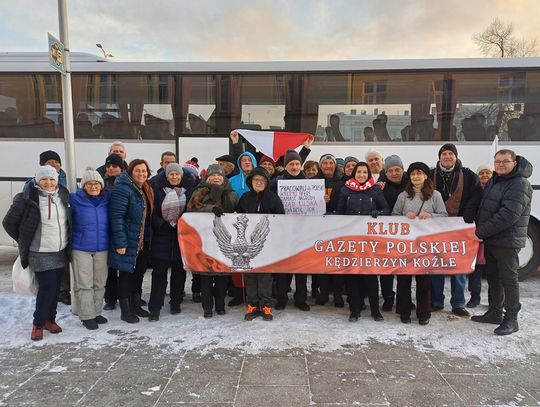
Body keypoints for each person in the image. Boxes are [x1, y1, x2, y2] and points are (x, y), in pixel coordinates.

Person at [3, 165, 70, 340]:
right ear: (37, 180)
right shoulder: (26, 198)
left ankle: (50, 319)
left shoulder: (62, 195)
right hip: (39, 252)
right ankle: (38, 323)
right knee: (47, 288)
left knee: (56, 288)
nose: (48, 183)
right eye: (44, 179)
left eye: (52, 179)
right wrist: (24, 240)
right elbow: (8, 223)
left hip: (60, 250)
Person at [472, 150, 533, 335]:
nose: (500, 165)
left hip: (507, 240)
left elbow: (508, 215)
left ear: (514, 162)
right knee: (493, 277)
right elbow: (486, 207)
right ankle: (495, 312)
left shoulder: (520, 184)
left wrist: (480, 231)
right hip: (492, 238)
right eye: (497, 161)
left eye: (505, 161)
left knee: (508, 279)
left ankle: (511, 319)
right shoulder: (495, 180)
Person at [393, 162, 448, 325]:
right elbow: (393, 215)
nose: (416, 176)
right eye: (413, 174)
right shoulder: (403, 195)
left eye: (419, 173)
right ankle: (404, 311)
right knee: (403, 279)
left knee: (423, 280)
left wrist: (431, 216)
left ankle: (424, 312)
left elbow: (444, 215)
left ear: (425, 176)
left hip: (425, 244)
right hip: (406, 243)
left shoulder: (435, 195)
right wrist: (404, 217)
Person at [430, 143, 481, 317]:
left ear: (456, 157)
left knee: (458, 266)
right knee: (436, 265)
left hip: (459, 227)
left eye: (451, 154)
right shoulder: (430, 174)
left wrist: (470, 209)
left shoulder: (468, 176)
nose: (447, 157)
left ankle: (458, 303)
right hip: (434, 228)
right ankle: (436, 301)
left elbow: (476, 194)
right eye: (444, 153)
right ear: (439, 157)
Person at [336, 162, 390, 321]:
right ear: (354, 174)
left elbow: (386, 209)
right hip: (350, 239)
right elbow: (340, 213)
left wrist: (377, 212)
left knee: (370, 276)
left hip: (369, 241)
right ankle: (355, 310)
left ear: (368, 174)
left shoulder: (375, 189)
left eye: (364, 172)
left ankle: (375, 310)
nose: (361, 175)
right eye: (358, 172)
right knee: (352, 276)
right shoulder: (345, 189)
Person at [186, 164, 238, 317]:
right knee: (206, 276)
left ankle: (220, 305)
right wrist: (210, 209)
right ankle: (207, 307)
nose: (216, 178)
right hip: (205, 240)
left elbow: (233, 207)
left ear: (223, 177)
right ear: (207, 177)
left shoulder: (231, 193)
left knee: (222, 276)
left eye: (219, 175)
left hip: (224, 240)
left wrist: (220, 195)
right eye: (213, 175)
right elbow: (191, 209)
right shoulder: (199, 191)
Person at [108, 159, 154, 324]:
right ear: (130, 172)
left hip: (143, 241)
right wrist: (121, 243)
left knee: (139, 274)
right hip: (128, 241)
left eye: (144, 171)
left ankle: (136, 305)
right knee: (126, 275)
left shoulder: (145, 189)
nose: (141, 174)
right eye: (137, 171)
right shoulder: (123, 189)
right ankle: (126, 310)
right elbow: (117, 217)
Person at [237, 167, 285, 321]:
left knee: (265, 276)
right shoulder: (245, 198)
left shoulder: (273, 198)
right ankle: (252, 305)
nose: (259, 182)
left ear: (266, 182)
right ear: (251, 182)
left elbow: (281, 219)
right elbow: (236, 216)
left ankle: (266, 305)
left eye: (262, 180)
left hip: (267, 244)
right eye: (256, 180)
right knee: (250, 275)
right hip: (248, 245)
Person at [148, 163, 195, 321]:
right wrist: (162, 224)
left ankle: (176, 302)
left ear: (181, 176)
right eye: (171, 174)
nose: (174, 177)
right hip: (162, 236)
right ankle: (155, 307)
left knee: (179, 274)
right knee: (159, 274)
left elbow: (192, 211)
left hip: (181, 237)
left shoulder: (188, 191)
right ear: (166, 176)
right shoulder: (158, 190)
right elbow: (152, 212)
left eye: (177, 175)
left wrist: (183, 223)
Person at [269, 149, 311, 311]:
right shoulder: (275, 182)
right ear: (285, 166)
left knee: (301, 267)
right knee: (282, 268)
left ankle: (301, 299)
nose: (294, 167)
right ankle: (281, 298)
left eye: (297, 164)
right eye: (291, 164)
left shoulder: (309, 182)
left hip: (302, 231)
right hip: (282, 231)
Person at [70, 167, 110, 330]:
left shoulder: (107, 199)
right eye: (89, 184)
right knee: (84, 283)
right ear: (83, 186)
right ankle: (87, 316)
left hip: (102, 247)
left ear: (101, 185)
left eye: (97, 183)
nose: (94, 187)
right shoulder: (74, 199)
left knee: (100, 282)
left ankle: (96, 311)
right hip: (81, 247)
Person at [39, 150, 69, 305]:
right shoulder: (32, 186)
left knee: (63, 266)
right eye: (49, 162)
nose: (54, 164)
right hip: (44, 242)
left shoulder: (68, 177)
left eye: (56, 162)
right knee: (47, 281)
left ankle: (64, 291)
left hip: (63, 234)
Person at [378, 154, 408, 311]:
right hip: (386, 233)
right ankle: (388, 297)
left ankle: (405, 298)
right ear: (386, 172)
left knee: (405, 267)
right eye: (390, 170)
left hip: (407, 234)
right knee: (386, 268)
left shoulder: (411, 184)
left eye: (397, 169)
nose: (394, 173)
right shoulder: (380, 186)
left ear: (403, 169)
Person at [315, 153, 345, 307]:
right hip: (319, 227)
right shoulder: (313, 181)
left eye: (330, 163)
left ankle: (338, 293)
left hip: (337, 225)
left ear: (335, 165)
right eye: (325, 163)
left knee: (337, 260)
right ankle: (324, 292)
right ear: (320, 166)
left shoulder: (343, 181)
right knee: (322, 261)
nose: (328, 166)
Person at [467, 164, 494, 308]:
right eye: (481, 173)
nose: (484, 175)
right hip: (475, 236)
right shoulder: (475, 191)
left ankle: (493, 299)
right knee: (475, 270)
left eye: (487, 173)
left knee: (492, 271)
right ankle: (474, 297)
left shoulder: (497, 190)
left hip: (491, 236)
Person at [102, 153, 125, 310]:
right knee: (109, 268)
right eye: (108, 166)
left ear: (121, 168)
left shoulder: (126, 183)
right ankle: (110, 298)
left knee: (124, 267)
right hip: (106, 230)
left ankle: (126, 296)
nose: (111, 168)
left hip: (123, 229)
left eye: (114, 166)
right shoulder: (101, 184)